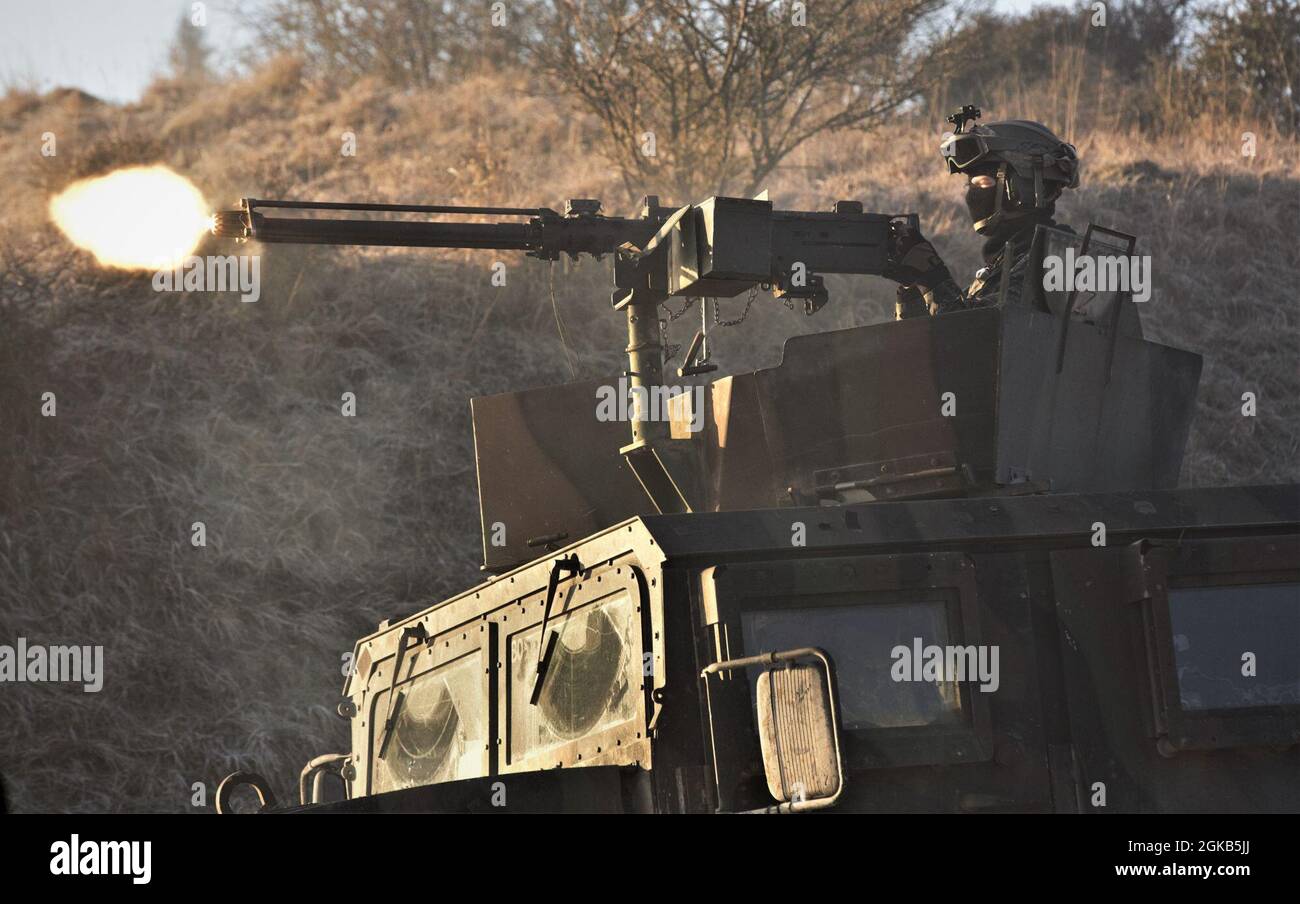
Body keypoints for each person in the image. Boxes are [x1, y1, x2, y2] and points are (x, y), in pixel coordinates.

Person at [887, 109, 1079, 318]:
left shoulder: (1057, 262)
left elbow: (978, 335)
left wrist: (932, 275)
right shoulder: (1008, 263)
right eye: (970, 185)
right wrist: (914, 287)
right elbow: (929, 344)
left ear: (1023, 186)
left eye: (983, 183)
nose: (972, 196)